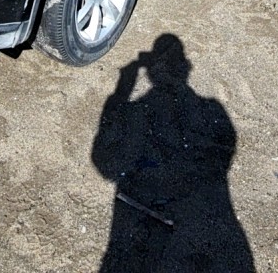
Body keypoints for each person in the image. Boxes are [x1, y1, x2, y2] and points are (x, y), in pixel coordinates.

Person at [92, 34, 254, 272]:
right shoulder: (212, 110)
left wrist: (122, 89)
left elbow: (103, 163)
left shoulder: (141, 111)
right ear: (186, 67)